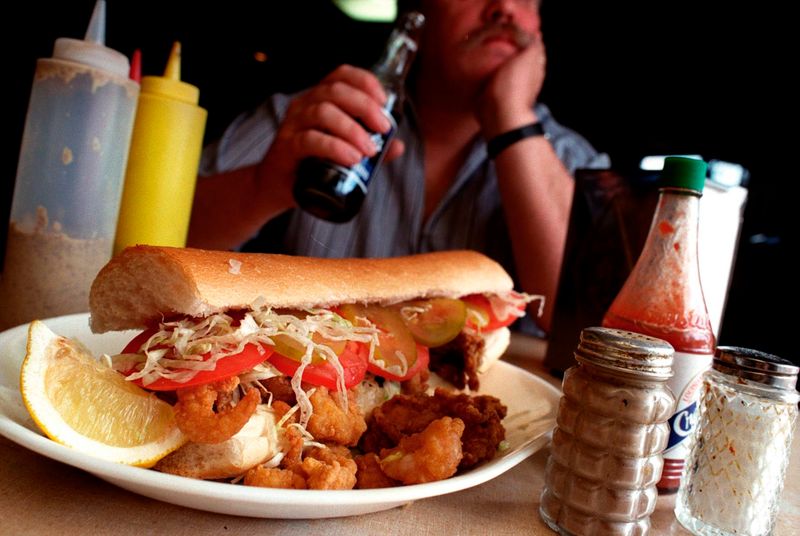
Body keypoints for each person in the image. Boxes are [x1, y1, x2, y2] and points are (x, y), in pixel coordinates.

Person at [188, 0, 609, 335]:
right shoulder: (314, 118)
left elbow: (586, 327)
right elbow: (160, 243)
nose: (503, 7)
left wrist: (512, 117)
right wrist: (265, 184)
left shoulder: (576, 162)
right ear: (418, 17)